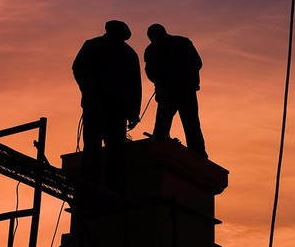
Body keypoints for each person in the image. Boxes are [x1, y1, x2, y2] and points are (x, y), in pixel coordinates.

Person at [72, 20, 142, 186]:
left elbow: (77, 68)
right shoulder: (128, 53)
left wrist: (87, 90)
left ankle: (89, 184)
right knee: (115, 150)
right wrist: (134, 113)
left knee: (92, 146)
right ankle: (114, 187)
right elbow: (135, 86)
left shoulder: (92, 45)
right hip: (116, 108)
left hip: (96, 104)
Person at [144, 24, 207, 158]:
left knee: (189, 123)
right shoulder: (152, 50)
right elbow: (150, 71)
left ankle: (198, 155)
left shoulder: (181, 43)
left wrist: (176, 75)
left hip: (184, 90)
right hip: (170, 92)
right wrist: (160, 81)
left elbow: (196, 63)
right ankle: (159, 151)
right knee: (165, 124)